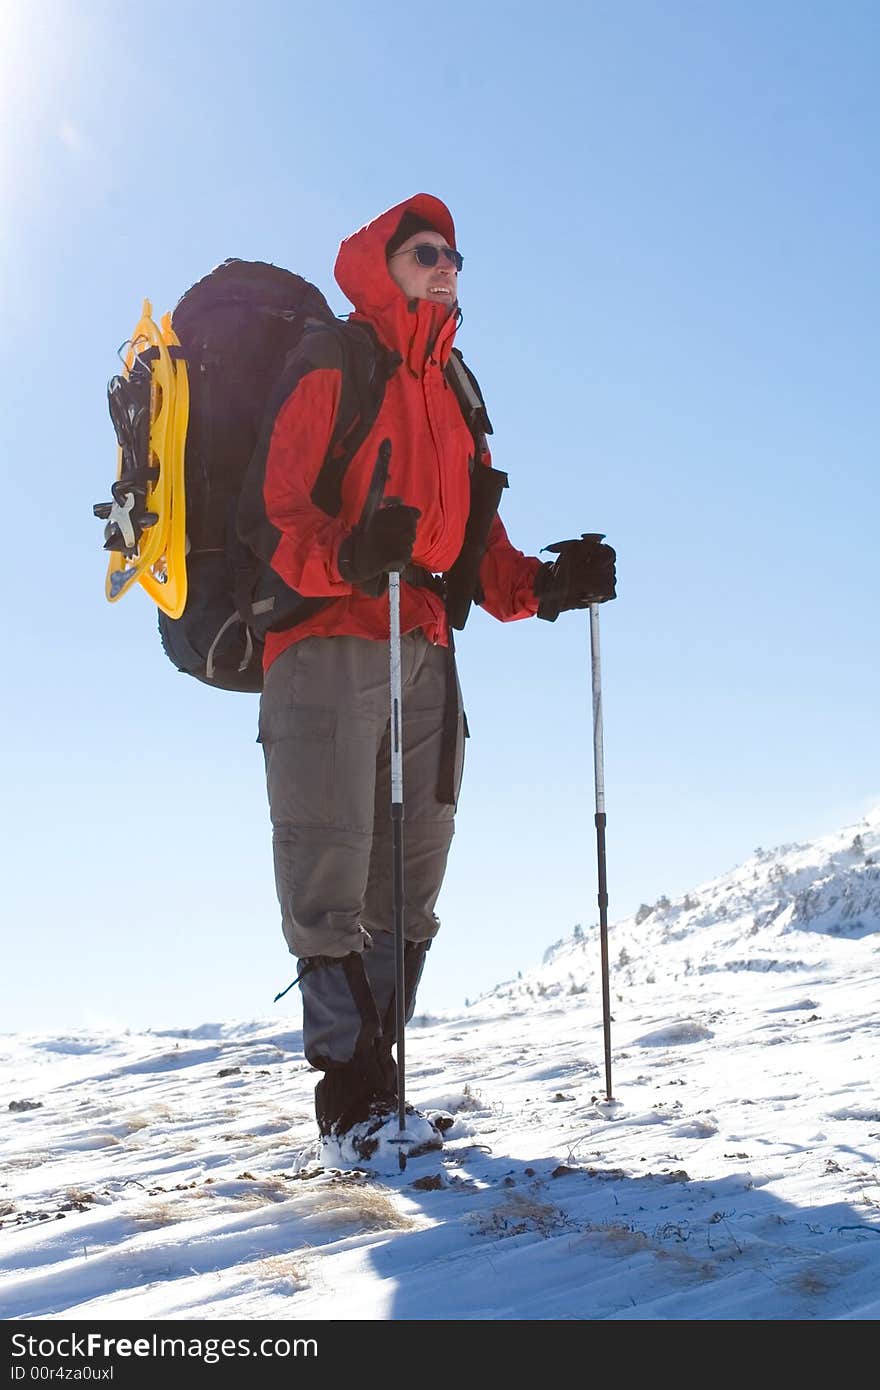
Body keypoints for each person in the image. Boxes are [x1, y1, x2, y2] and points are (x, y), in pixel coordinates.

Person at [238, 193, 616, 1161]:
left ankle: (383, 1085)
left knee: (411, 878)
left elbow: (479, 554)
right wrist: (352, 558)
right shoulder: (337, 362)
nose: (446, 265)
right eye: (425, 252)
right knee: (329, 867)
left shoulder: (457, 387)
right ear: (383, 263)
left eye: (454, 254)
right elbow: (275, 513)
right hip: (325, 644)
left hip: (428, 650)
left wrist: (548, 585)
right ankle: (349, 1100)